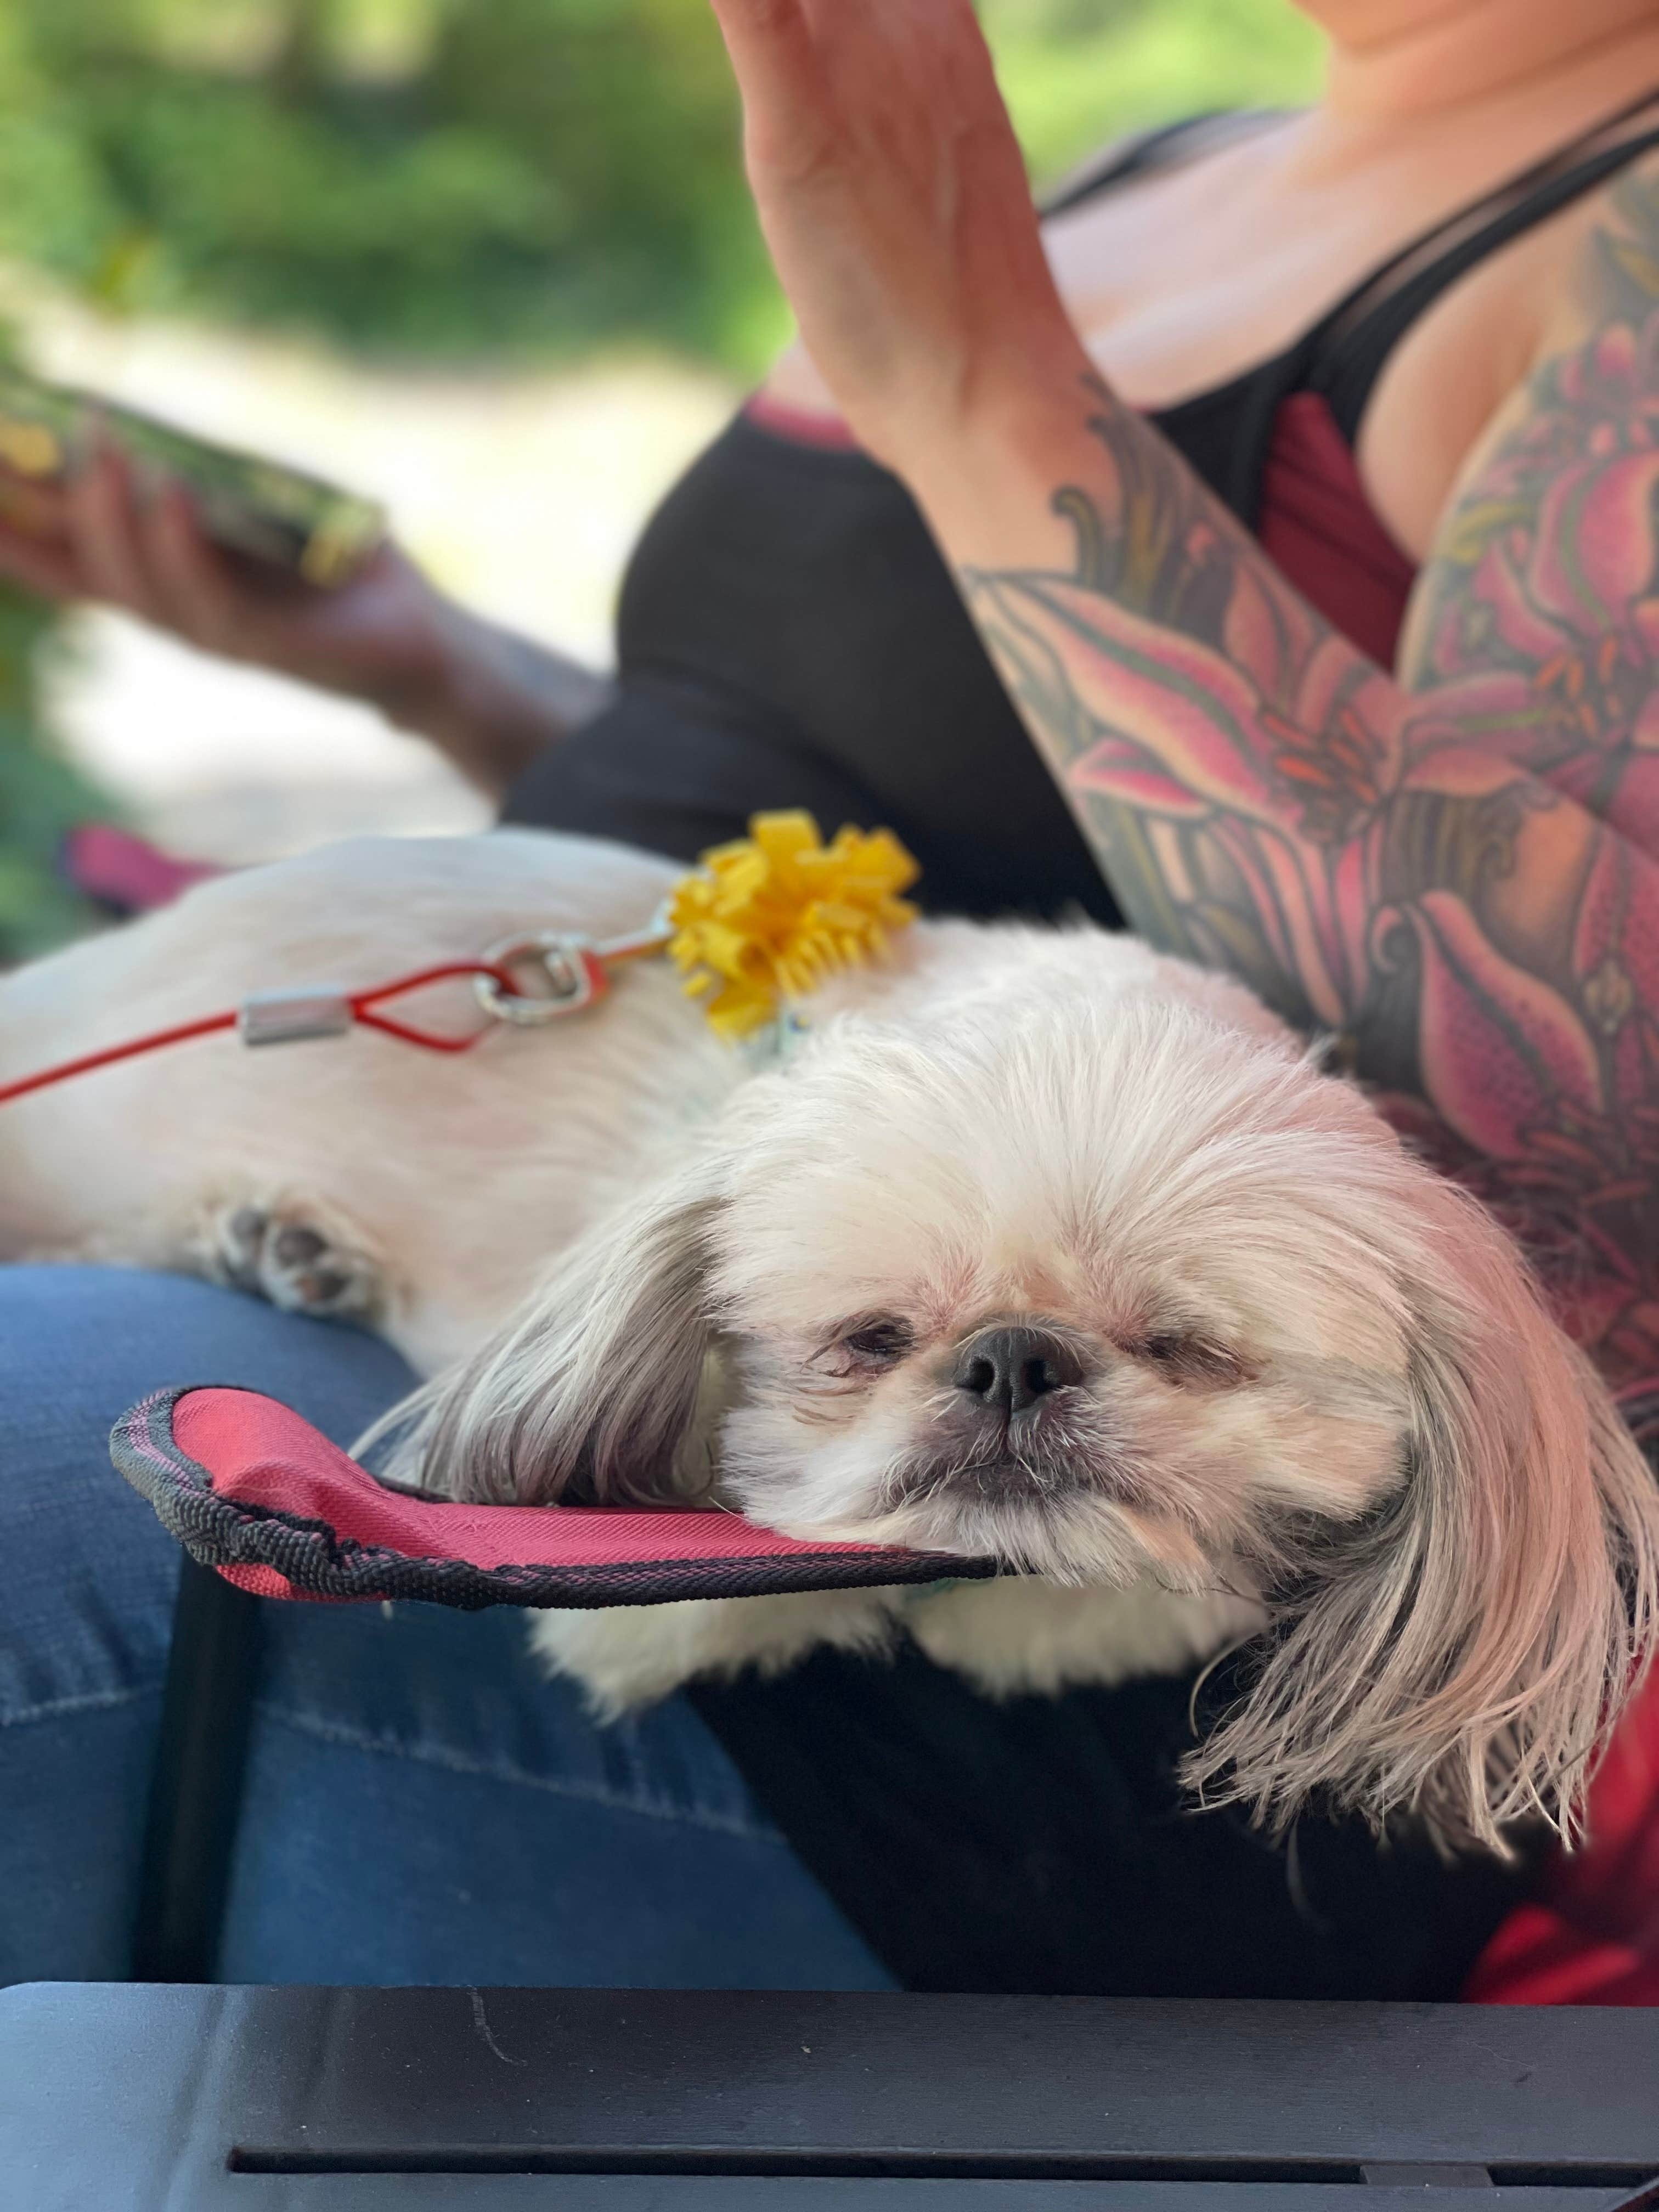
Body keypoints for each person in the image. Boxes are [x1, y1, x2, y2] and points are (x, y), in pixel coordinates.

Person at [3, 0, 1658, 1994]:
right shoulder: (1182, 151)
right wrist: (438, 676)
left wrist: (972, 377)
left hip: (978, 1684)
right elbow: (890, 853)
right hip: (538, 1294)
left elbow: (1576, 1164)